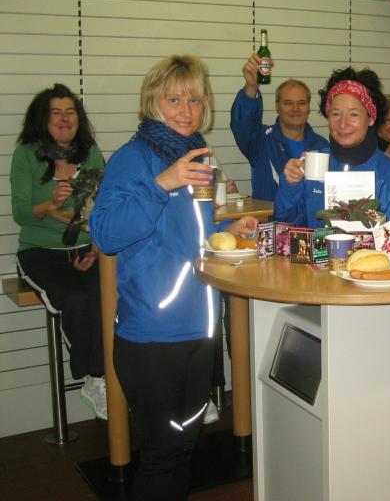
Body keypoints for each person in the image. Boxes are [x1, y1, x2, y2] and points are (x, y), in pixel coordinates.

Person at [89, 55, 258, 501]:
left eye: (195, 100)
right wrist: (160, 184)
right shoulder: (133, 159)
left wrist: (228, 228)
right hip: (152, 338)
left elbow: (188, 235)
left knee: (184, 450)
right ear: (153, 102)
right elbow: (105, 234)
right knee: (162, 456)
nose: (187, 110)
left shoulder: (195, 156)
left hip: (200, 330)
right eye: (175, 100)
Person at [11, 84, 107, 419]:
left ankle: (104, 376)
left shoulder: (90, 153)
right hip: (41, 252)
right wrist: (50, 203)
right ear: (43, 119)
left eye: (71, 112)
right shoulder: (26, 154)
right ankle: (93, 376)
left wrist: (96, 247)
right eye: (57, 113)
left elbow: (102, 207)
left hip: (85, 248)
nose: (65, 119)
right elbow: (21, 213)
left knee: (107, 295)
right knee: (74, 299)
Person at [275, 67, 390, 229]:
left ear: (371, 118)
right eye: (336, 114)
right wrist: (291, 185)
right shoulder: (314, 167)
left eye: (353, 114)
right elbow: (285, 225)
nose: (343, 124)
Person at [230, 53, 327, 201]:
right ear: (277, 107)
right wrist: (251, 86)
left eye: (301, 103)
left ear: (308, 107)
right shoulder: (261, 141)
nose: (295, 109)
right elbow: (242, 124)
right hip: (270, 216)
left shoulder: (323, 147)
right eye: (288, 103)